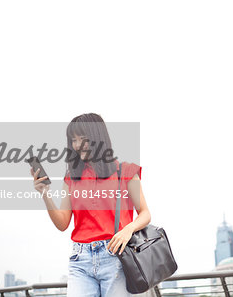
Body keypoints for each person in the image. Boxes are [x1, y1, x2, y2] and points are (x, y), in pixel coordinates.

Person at [31, 113, 151, 297]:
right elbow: (62, 223)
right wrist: (45, 195)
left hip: (116, 255)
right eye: (73, 140)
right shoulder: (71, 177)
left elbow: (145, 213)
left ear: (98, 137)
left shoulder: (125, 171)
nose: (78, 145)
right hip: (80, 259)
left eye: (83, 139)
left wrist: (128, 229)